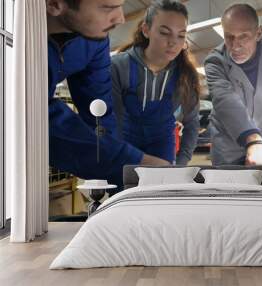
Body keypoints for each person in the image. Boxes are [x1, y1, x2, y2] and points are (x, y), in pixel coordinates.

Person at [46, 0, 169, 188]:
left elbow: (100, 110)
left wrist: (120, 179)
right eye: (108, 8)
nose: (120, 18)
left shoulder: (94, 39)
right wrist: (128, 162)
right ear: (54, 4)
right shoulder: (14, 39)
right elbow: (34, 119)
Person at [204, 3, 262, 166]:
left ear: (258, 33)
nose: (235, 46)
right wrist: (253, 139)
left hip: (261, 140)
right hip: (227, 144)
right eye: (229, 37)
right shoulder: (215, 61)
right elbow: (225, 100)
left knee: (258, 185)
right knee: (227, 187)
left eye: (243, 36)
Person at [111, 0, 200, 165]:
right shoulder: (118, 67)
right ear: (146, 30)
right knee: (127, 188)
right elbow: (108, 122)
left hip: (163, 145)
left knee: (161, 189)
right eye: (165, 32)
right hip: (126, 144)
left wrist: (181, 163)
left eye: (181, 35)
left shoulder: (185, 76)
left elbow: (192, 123)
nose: (173, 42)